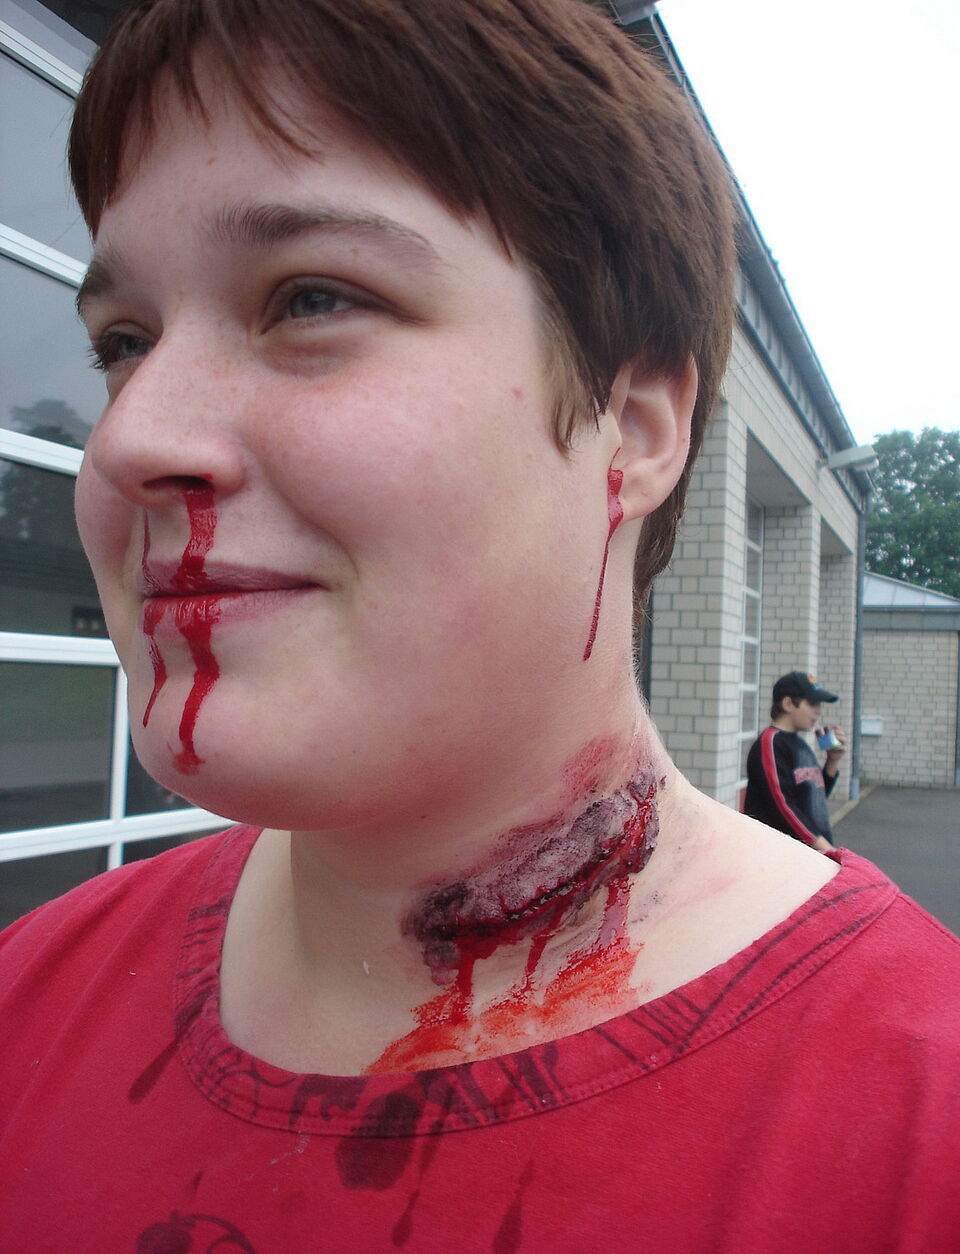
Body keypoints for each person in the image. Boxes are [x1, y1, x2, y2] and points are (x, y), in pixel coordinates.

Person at [1, 2, 959, 1250]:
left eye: (310, 299)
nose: (129, 438)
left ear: (636, 425)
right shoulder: (29, 1001)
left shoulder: (916, 1129)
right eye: (122, 343)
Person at [744, 671, 846, 852]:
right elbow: (783, 805)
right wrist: (827, 851)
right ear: (788, 704)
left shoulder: (800, 743)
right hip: (779, 855)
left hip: (807, 853)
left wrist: (832, 762)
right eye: (812, 704)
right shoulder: (771, 743)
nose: (818, 711)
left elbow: (815, 797)